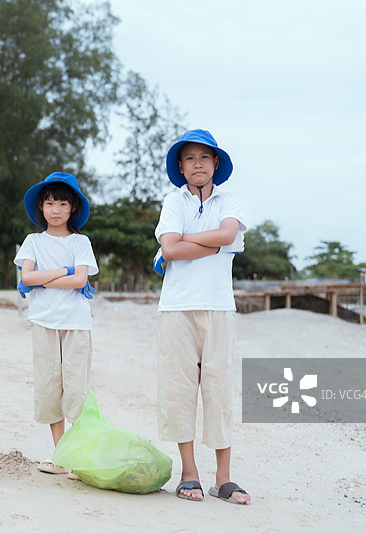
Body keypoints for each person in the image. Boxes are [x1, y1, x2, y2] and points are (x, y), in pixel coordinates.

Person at [153, 129, 251, 504]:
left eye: (205, 157)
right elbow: (169, 249)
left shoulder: (230, 200)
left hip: (219, 306)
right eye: (190, 158)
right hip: (176, 307)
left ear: (216, 163)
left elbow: (227, 235)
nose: (198, 164)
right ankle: (189, 473)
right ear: (181, 166)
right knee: (179, 390)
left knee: (218, 387)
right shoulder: (173, 201)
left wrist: (186, 241)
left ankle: (223, 479)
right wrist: (210, 245)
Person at [13, 172, 98, 476]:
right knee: (49, 386)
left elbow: (80, 279)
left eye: (63, 203)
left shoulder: (80, 241)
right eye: (50, 203)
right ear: (41, 207)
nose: (56, 210)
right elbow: (26, 277)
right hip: (43, 321)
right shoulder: (33, 241)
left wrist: (44, 279)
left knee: (76, 388)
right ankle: (60, 454)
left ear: (73, 207)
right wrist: (64, 271)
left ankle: (79, 453)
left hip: (76, 323)